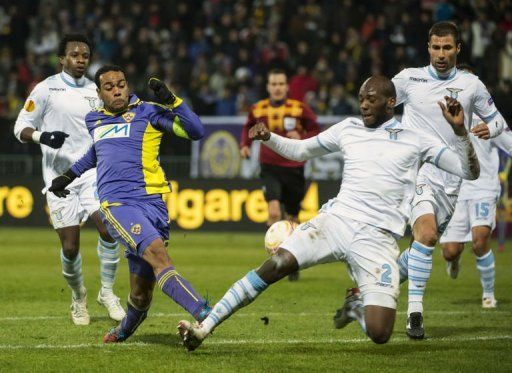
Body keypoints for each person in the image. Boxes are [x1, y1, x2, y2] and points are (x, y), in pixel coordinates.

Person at [176, 76, 479, 351]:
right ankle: (203, 329)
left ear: (390, 102)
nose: (363, 104)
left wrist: (460, 131)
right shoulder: (348, 129)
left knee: (380, 332)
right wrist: (269, 138)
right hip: (336, 222)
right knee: (276, 264)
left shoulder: (416, 139)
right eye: (361, 98)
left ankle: (356, 307)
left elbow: (469, 171)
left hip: (378, 239)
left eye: (370, 99)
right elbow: (301, 150)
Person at [48, 65, 211, 343]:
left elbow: (196, 131)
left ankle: (123, 329)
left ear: (128, 85)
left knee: (141, 292)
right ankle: (206, 313)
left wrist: (172, 100)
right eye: (109, 87)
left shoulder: (148, 111)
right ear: (99, 93)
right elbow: (97, 153)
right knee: (159, 256)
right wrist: (68, 176)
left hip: (154, 204)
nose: (117, 90)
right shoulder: (94, 119)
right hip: (117, 204)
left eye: (121, 84)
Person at [392, 22, 508, 339]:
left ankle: (383, 278)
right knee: (427, 234)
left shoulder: (471, 85)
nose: (440, 54)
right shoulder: (408, 79)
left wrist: (492, 129)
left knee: (431, 246)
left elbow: (497, 120)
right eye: (435, 47)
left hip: (455, 181)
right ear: (427, 47)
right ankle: (414, 313)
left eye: (447, 48)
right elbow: (380, 105)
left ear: (458, 49)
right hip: (418, 172)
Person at [13, 34, 125, 325]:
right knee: (70, 247)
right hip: (58, 178)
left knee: (109, 229)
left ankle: (108, 292)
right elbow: (20, 126)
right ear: (62, 59)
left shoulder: (95, 90)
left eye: (85, 56)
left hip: (90, 172)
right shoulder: (46, 89)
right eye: (74, 55)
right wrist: (43, 136)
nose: (80, 60)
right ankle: (78, 297)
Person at [440, 65, 512, 308]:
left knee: (480, 240)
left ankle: (488, 294)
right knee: (450, 250)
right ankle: (454, 260)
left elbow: (510, 143)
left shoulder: (489, 119)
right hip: (454, 190)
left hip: (483, 188)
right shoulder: (443, 118)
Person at [240, 68, 320, 281]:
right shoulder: (258, 109)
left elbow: (316, 130)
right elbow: (248, 127)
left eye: (280, 84)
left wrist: (302, 135)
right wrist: (245, 145)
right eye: (273, 84)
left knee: (292, 218)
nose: (276, 88)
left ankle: (292, 262)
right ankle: (274, 261)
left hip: (294, 168)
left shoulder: (299, 108)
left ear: (286, 87)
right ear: (268, 87)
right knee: (274, 212)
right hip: (269, 166)